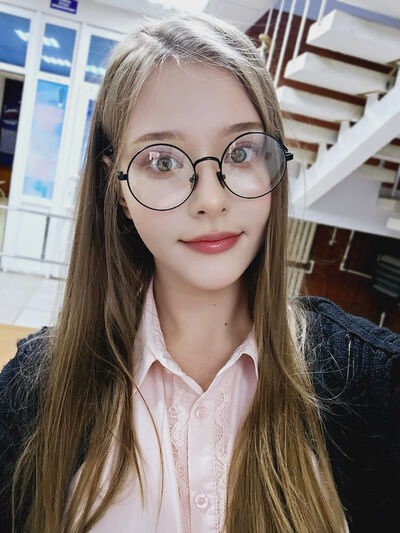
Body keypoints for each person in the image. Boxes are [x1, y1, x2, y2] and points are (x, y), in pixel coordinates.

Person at [0, 11, 399, 533]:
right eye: (163, 161)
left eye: (241, 152)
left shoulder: (374, 383)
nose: (211, 199)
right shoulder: (34, 392)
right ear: (118, 189)